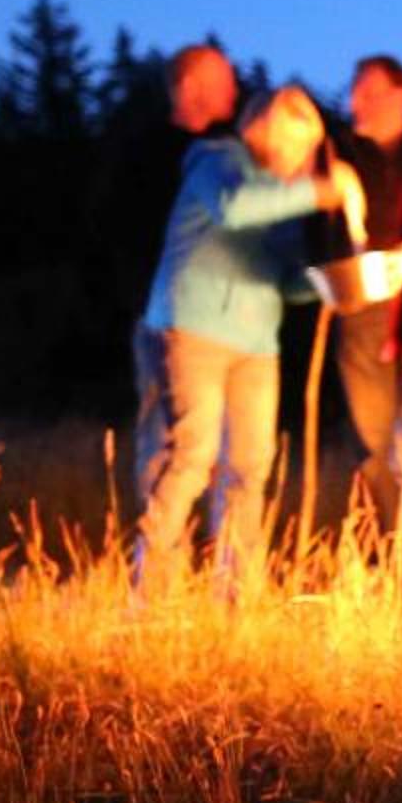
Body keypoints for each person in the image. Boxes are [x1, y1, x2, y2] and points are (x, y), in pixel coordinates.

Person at [134, 85, 361, 581]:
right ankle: (151, 581)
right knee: (191, 455)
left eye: (309, 149)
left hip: (257, 345)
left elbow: (282, 280)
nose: (304, 158)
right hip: (193, 330)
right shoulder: (217, 161)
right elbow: (233, 207)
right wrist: (323, 190)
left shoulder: (281, 197)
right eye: (298, 144)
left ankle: (239, 587)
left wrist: (337, 285)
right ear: (268, 131)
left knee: (250, 466)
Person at [320, 53, 402, 537]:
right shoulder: (340, 152)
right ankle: (391, 543)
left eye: (368, 93)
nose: (356, 102)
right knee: (372, 438)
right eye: (354, 92)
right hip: (362, 306)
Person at [125, 41, 241, 529]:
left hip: (228, 322)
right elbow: (114, 231)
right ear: (190, 87)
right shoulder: (149, 156)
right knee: (168, 440)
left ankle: (220, 552)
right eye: (223, 81)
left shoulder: (230, 154)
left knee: (226, 446)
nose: (234, 90)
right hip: (164, 320)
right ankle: (161, 552)